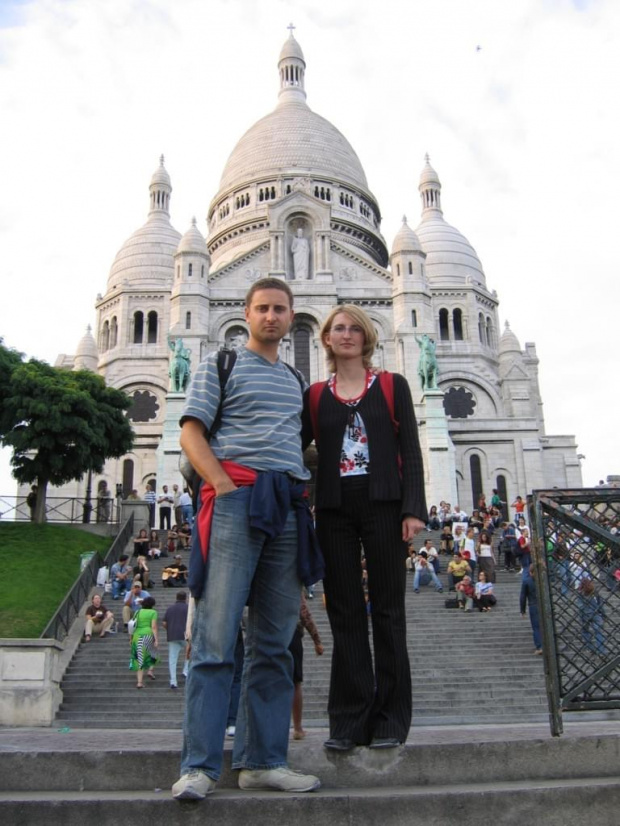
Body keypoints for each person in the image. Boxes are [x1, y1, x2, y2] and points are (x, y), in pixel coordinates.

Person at [173, 278, 321, 800]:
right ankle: (199, 767)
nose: (272, 317)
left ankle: (262, 761)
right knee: (215, 642)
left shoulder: (296, 378)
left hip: (285, 509)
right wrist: (220, 484)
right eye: (263, 308)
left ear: (291, 314)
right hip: (236, 499)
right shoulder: (221, 362)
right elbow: (190, 431)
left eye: (280, 309)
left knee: (276, 645)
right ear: (247, 313)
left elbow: (298, 441)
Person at [303, 303, 427, 751]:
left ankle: (392, 719)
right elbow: (293, 448)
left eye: (355, 328)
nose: (347, 334)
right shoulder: (315, 395)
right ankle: (349, 722)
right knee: (346, 616)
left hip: (384, 505)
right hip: (334, 510)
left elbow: (410, 450)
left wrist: (413, 509)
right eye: (338, 328)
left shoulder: (393, 386)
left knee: (390, 613)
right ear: (327, 338)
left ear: (367, 337)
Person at [290, 593, 323, 740]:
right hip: (292, 633)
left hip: (272, 631)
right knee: (295, 682)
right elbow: (304, 611)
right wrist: (316, 640)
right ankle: (297, 728)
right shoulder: (293, 580)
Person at [129, 595, 159, 688]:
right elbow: (153, 626)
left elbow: (132, 625)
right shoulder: (153, 612)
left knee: (139, 658)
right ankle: (150, 670)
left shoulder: (137, 612)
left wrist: (130, 638)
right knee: (153, 654)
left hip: (137, 635)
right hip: (147, 634)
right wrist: (156, 639)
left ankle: (139, 682)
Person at [163, 591, 189, 689]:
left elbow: (164, 623)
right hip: (186, 636)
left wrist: (170, 629)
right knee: (190, 654)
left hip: (172, 635)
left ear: (176, 597)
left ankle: (173, 682)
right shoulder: (188, 608)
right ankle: (186, 671)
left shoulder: (170, 609)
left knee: (172, 659)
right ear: (185, 598)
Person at [520, 564, 542, 654]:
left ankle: (540, 647)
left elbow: (523, 597)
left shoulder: (526, 581)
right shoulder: (542, 581)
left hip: (533, 605)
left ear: (530, 572)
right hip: (542, 605)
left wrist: (522, 610)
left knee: (536, 627)